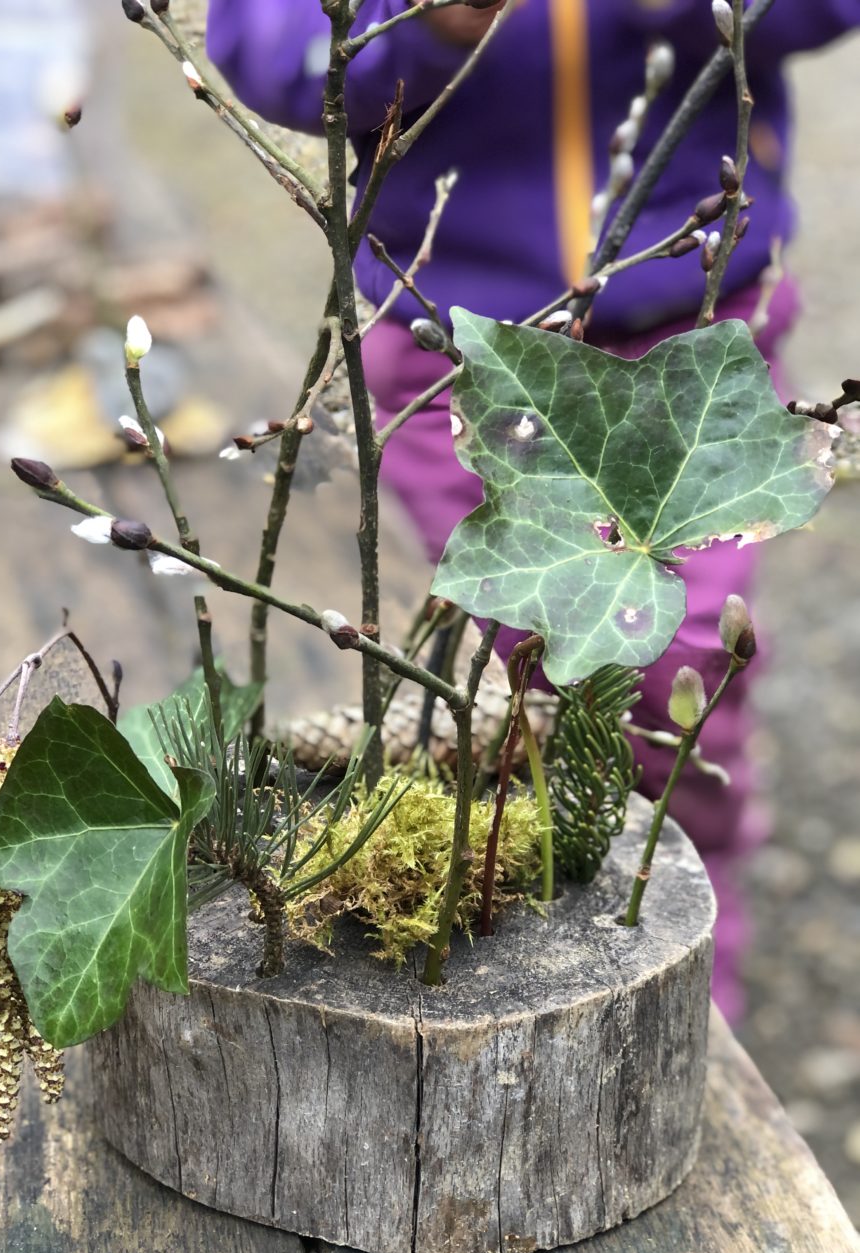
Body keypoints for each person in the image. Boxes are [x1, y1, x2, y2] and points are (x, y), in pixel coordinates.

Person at [206, 0, 860, 1020]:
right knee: (529, 666)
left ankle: (688, 950)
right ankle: (535, 971)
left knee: (681, 657)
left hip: (689, 324)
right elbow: (269, 47)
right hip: (453, 345)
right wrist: (422, 23)